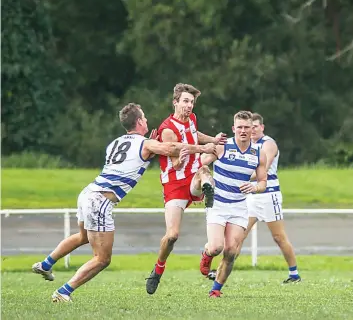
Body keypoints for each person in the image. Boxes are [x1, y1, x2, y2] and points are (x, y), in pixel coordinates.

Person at [32, 103, 217, 302]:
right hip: (101, 200)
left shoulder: (115, 143)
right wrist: (201, 148)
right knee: (102, 259)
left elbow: (138, 156)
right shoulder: (144, 143)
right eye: (144, 118)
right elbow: (170, 148)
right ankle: (63, 292)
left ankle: (46, 263)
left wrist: (152, 145)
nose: (147, 121)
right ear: (139, 122)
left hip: (88, 193)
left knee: (83, 236)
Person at [146, 83, 227, 295]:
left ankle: (210, 190)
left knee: (208, 163)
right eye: (185, 101)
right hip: (175, 184)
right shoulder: (167, 130)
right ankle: (158, 269)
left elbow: (194, 134)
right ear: (175, 102)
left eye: (191, 102)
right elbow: (175, 162)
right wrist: (202, 149)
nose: (189, 106)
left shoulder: (191, 119)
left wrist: (213, 140)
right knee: (172, 236)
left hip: (194, 176)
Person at [198, 110, 267, 297]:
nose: (243, 131)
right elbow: (202, 163)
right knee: (216, 247)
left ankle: (215, 290)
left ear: (252, 129)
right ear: (233, 128)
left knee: (231, 252)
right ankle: (206, 254)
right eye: (239, 127)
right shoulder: (222, 147)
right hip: (217, 204)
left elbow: (263, 183)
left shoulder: (258, 154)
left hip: (238, 207)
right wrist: (206, 162)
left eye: (247, 127)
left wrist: (254, 188)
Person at [238, 112, 301, 284]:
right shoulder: (247, 145)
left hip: (268, 195)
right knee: (239, 235)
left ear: (261, 127)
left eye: (256, 127)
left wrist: (237, 175)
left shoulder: (269, 144)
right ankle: (221, 271)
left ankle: (294, 274)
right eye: (251, 127)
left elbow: (262, 170)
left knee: (279, 237)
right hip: (251, 195)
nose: (252, 130)